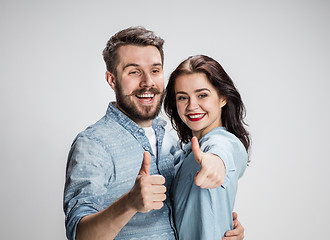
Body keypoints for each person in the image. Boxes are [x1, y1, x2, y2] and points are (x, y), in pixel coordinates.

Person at [63, 26, 245, 240]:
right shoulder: (93, 144)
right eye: (134, 72)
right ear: (112, 79)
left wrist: (222, 224)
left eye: (155, 70)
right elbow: (79, 235)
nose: (148, 82)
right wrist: (129, 203)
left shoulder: (171, 142)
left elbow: (222, 146)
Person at [164, 55, 250, 240]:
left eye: (202, 95)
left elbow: (221, 152)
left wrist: (215, 162)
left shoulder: (226, 142)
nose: (192, 106)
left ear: (223, 98)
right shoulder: (183, 153)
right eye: (182, 97)